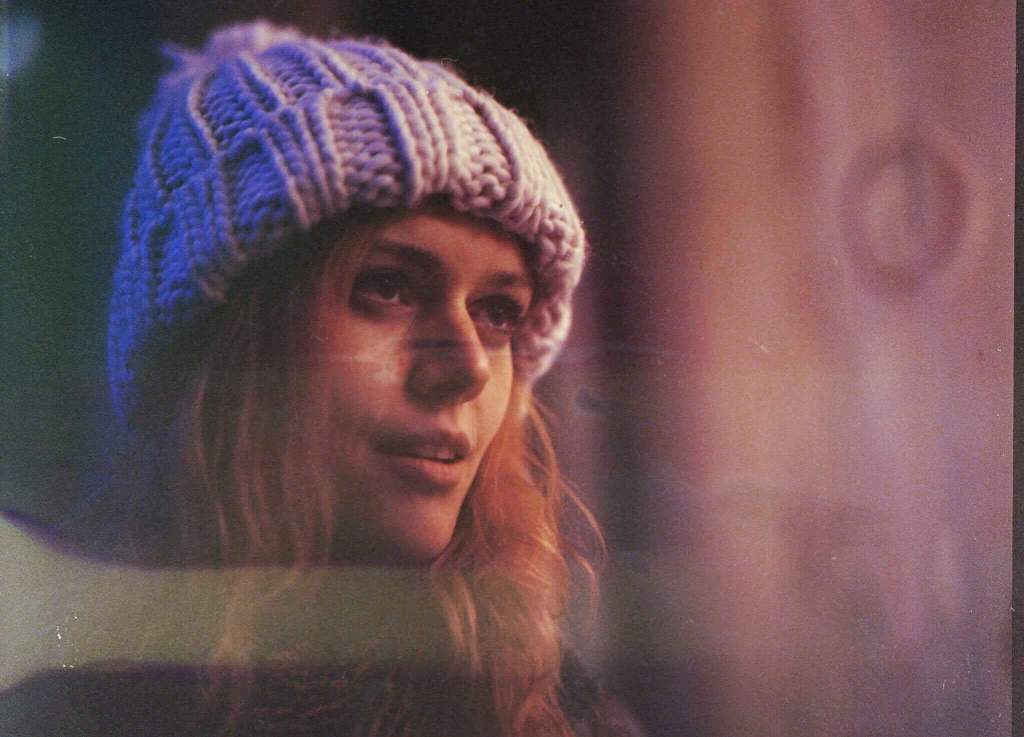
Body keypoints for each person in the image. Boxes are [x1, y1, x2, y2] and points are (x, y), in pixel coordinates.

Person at [3, 19, 644, 737]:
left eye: (498, 313)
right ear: (228, 345)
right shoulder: (65, 716)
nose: (466, 366)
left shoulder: (563, 714)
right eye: (388, 286)